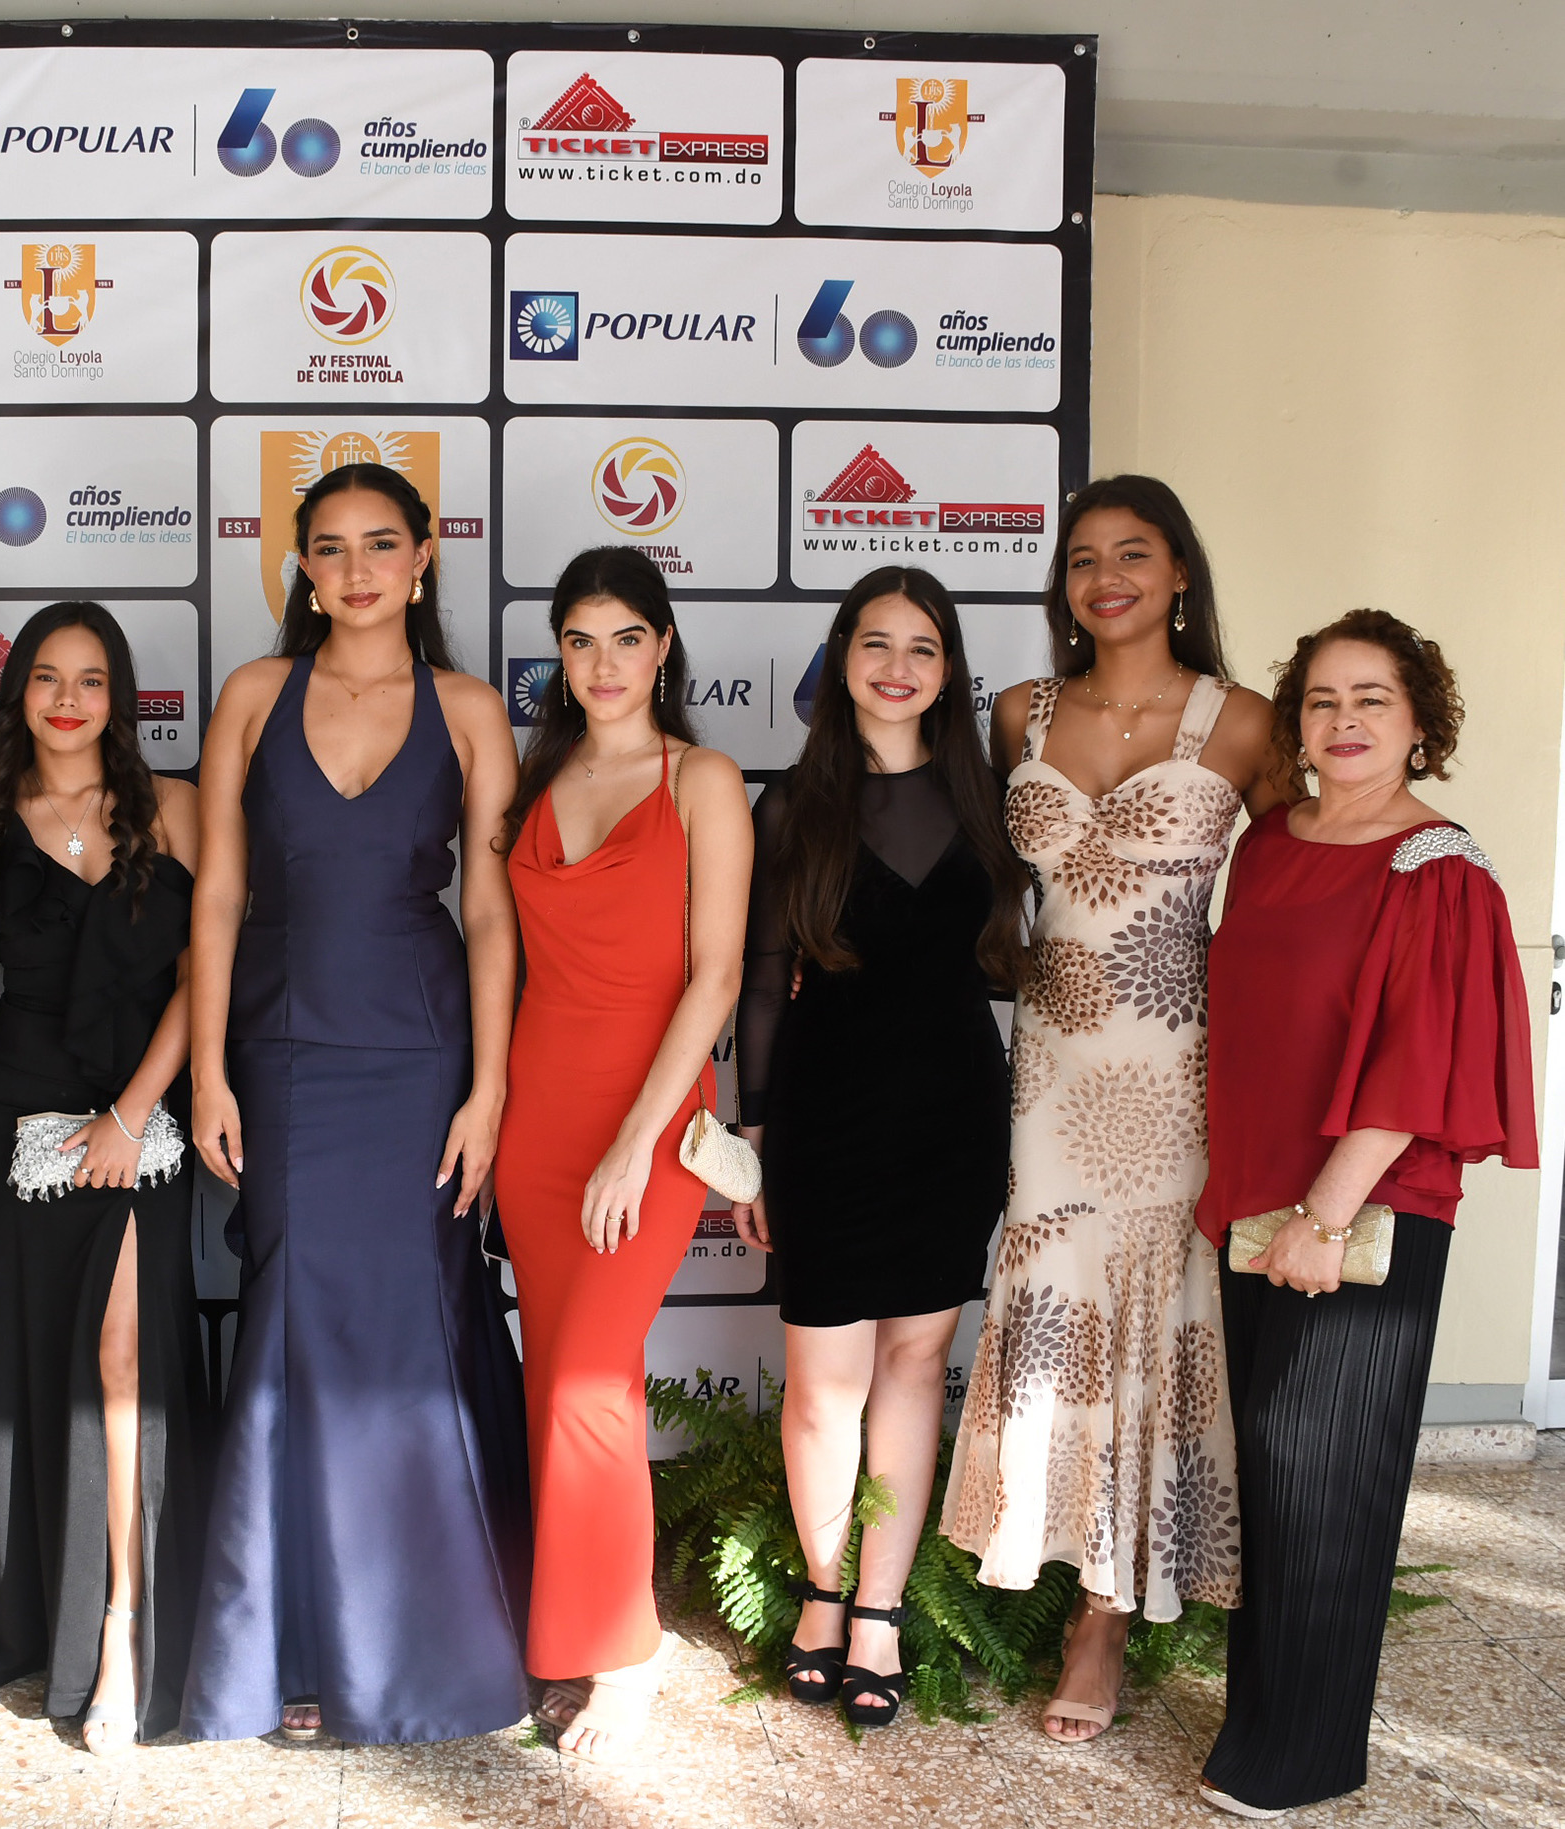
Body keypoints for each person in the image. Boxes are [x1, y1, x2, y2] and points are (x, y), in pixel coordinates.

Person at [181, 461, 531, 1744]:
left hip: (419, 1053)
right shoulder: (251, 695)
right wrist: (206, 1066)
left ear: (423, 558)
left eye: (380, 543)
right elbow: (217, 894)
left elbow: (487, 910)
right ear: (302, 567)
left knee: (406, 1329)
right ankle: (285, 1645)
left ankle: (418, 1649)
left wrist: (488, 1086)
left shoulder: (469, 710)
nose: (355, 568)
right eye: (328, 547)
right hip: (280, 1049)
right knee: (290, 1318)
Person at [941, 475, 1286, 1742]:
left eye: (1131, 554)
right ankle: (1049, 1538)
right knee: (1057, 1289)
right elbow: (980, 873)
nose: (1104, 579)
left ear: (1178, 571)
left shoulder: (1242, 721)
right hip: (1050, 1062)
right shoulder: (1019, 713)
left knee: (1155, 1296)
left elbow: (1294, 887)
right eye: (1082, 558)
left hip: (1176, 1056)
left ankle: (1105, 1611)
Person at [1193, 611, 1535, 1819]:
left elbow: (1414, 1059)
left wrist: (1323, 1215)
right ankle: (1261, 1722)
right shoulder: (1269, 842)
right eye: (1321, 699)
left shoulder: (1437, 867)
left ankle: (1305, 1753)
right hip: (1254, 1202)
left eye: (1370, 699)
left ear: (1418, 723)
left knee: (1324, 1469)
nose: (1342, 721)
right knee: (1272, 1466)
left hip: (1358, 1207)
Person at [729, 566, 1029, 1730]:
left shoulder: (988, 800)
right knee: (821, 1387)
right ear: (841, 657)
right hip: (825, 1109)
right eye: (874, 643)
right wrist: (753, 1130)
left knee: (913, 1362)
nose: (895, 666)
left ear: (947, 671)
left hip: (952, 1110)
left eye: (921, 647)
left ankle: (878, 1614)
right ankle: (819, 1589)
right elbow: (763, 980)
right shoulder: (788, 806)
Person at [0, 602, 206, 1751]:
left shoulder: (174, 807)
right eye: (46, 676)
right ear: (18, 694)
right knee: (45, 1363)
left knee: (122, 1360)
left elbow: (203, 974)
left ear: (118, 696)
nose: (66, 698)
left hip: (141, 1109)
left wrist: (128, 1115)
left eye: (91, 679)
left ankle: (123, 1624)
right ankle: (50, 1609)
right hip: (26, 1120)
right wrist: (16, 1132)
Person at [495, 547, 752, 1761]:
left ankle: (626, 1651)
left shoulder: (701, 778)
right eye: (579, 639)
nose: (602, 663)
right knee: (555, 1379)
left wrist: (633, 1145)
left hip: (643, 1121)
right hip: (535, 1118)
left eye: (625, 637)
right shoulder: (535, 778)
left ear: (662, 646)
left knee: (590, 1383)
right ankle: (570, 1633)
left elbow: (716, 976)